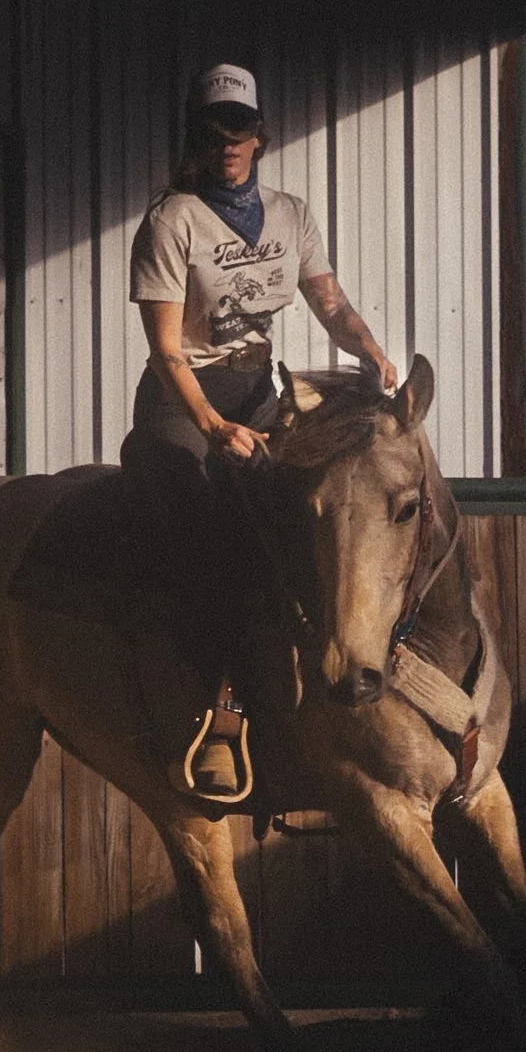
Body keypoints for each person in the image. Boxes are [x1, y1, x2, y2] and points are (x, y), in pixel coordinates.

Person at [126, 63, 400, 798]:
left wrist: (366, 346)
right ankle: (220, 714)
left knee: (329, 508)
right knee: (210, 532)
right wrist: (211, 425)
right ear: (198, 137)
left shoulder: (292, 214)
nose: (229, 146)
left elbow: (330, 304)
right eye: (216, 132)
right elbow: (165, 350)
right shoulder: (170, 221)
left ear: (260, 132)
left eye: (241, 130)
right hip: (185, 401)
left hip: (259, 388)